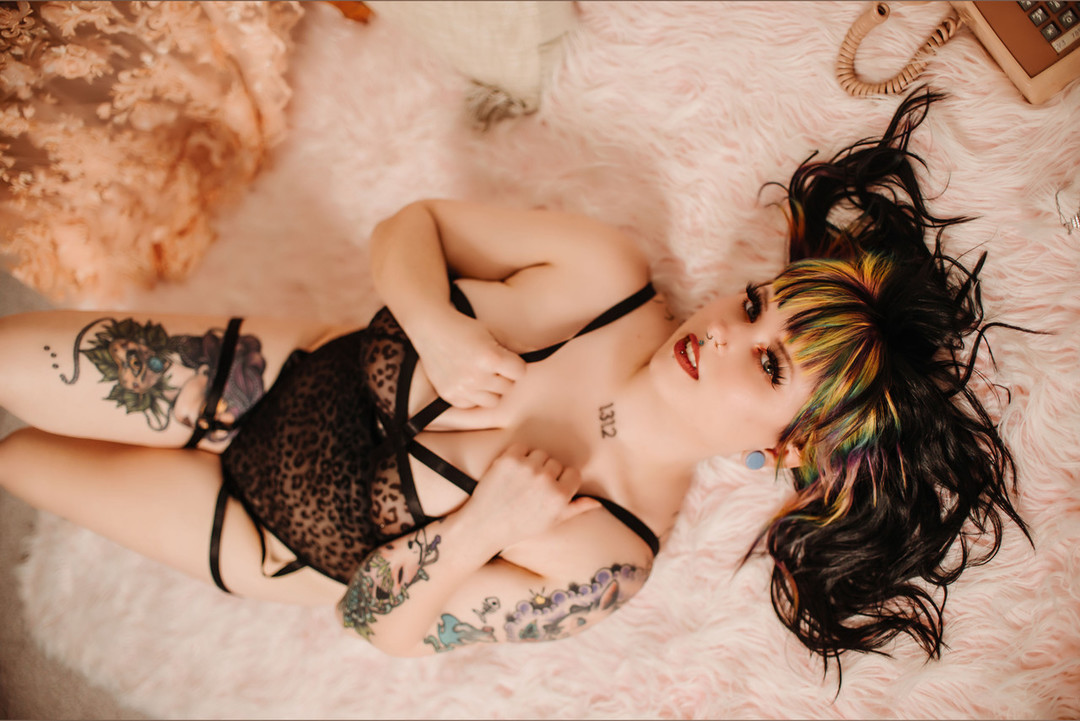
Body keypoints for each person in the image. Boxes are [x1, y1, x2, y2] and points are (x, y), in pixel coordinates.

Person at [0, 90, 1027, 664]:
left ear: (788, 447)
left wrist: (481, 526)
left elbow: (375, 623)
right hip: (246, 373)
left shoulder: (607, 553)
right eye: (756, 302)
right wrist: (438, 326)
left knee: (16, 461)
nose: (723, 330)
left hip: (254, 535)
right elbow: (411, 229)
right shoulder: (606, 279)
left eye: (766, 363)